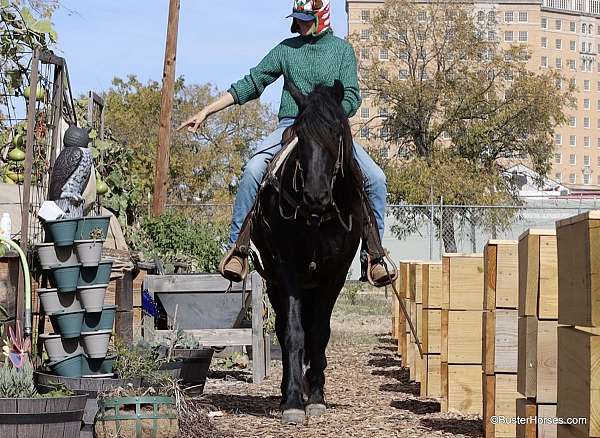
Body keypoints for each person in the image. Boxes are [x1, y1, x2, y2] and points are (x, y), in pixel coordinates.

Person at [178, 0, 396, 286]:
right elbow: (252, 82)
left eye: (307, 18)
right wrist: (206, 111)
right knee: (254, 168)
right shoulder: (286, 49)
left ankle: (373, 256)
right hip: (291, 126)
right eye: (298, 18)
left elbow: (352, 95)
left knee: (376, 179)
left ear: (322, 17)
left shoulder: (343, 50)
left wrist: (328, 118)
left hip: (330, 129)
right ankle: (238, 248)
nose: (301, 23)